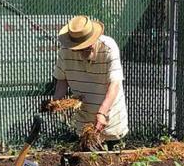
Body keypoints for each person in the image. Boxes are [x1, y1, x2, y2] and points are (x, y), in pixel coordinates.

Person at [51, 15, 129, 149]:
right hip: (83, 123)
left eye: (87, 46)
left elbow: (114, 84)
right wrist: (57, 102)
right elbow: (61, 80)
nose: (83, 50)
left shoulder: (109, 48)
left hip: (110, 122)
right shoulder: (65, 51)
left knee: (113, 164)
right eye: (79, 48)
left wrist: (102, 112)